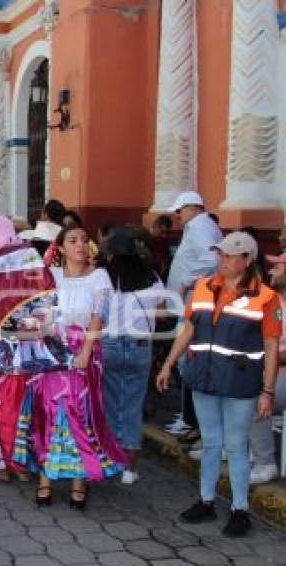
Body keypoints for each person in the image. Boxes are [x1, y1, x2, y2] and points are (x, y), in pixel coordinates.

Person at [156, 231, 280, 537]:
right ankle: (206, 500)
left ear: (247, 260)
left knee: (237, 446)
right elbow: (188, 329)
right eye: (220, 254)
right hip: (204, 377)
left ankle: (240, 509)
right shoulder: (203, 287)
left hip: (240, 382)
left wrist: (267, 390)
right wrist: (169, 363)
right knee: (211, 443)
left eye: (229, 255)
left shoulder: (265, 297)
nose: (221, 260)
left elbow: (272, 346)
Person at [14, 225, 127, 509]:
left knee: (78, 413)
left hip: (83, 353)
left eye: (84, 240)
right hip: (51, 352)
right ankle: (45, 477)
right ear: (61, 248)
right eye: (73, 240)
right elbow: (33, 308)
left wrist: (87, 351)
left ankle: (80, 480)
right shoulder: (51, 276)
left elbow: (98, 315)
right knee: (47, 411)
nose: (80, 245)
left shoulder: (99, 276)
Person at [99, 228, 163, 485]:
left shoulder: (104, 279)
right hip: (140, 347)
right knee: (132, 406)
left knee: (110, 404)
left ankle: (111, 459)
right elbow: (160, 309)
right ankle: (130, 467)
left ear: (112, 255)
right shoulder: (152, 278)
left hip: (109, 345)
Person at [163, 191, 222, 438]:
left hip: (192, 303)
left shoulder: (200, 228)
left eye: (179, 210)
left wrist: (186, 282)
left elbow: (210, 259)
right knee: (188, 359)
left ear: (193, 207)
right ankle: (190, 417)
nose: (177, 216)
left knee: (188, 359)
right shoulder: (199, 227)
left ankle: (192, 420)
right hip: (188, 302)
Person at [248, 252, 286, 485]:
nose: (270, 271)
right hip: (270, 366)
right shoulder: (273, 300)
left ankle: (265, 463)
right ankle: (228, 448)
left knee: (257, 396)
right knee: (228, 384)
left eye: (277, 267)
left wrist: (272, 358)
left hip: (281, 370)